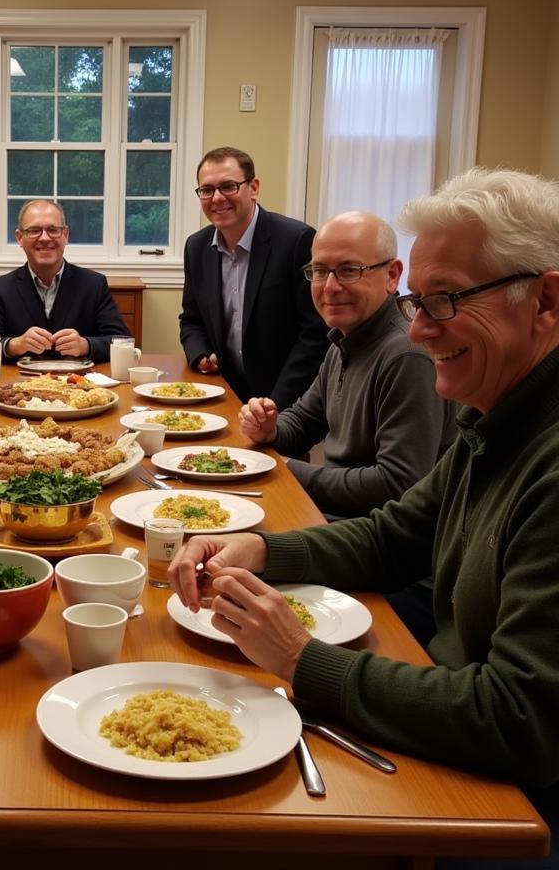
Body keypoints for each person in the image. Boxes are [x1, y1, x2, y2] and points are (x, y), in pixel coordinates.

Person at [169, 169, 559, 815]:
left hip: (513, 799)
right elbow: (398, 534)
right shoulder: (493, 410)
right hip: (442, 690)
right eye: (419, 301)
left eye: (447, 300)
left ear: (545, 301)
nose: (417, 330)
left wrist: (302, 660)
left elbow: (521, 722)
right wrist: (258, 548)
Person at [238, 210, 456, 520]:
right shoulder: (345, 339)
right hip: (336, 516)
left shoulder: (407, 355)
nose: (329, 286)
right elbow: (304, 421)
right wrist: (269, 429)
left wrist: (284, 469)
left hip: (373, 537)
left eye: (349, 270)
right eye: (319, 270)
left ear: (392, 275)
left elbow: (397, 484)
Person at [179, 146, 328, 409]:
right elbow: (191, 320)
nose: (217, 198)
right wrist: (200, 354)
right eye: (207, 190)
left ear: (254, 187)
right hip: (223, 394)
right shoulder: (196, 247)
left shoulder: (297, 241)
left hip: (283, 398)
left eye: (228, 186)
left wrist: (275, 404)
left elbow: (314, 335)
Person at [0, 198, 131, 363]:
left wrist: (85, 345)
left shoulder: (94, 284)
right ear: (19, 237)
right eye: (34, 230)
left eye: (53, 229)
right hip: (20, 384)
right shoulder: (0, 288)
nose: (44, 238)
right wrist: (15, 345)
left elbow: (122, 341)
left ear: (65, 235)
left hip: (79, 384)